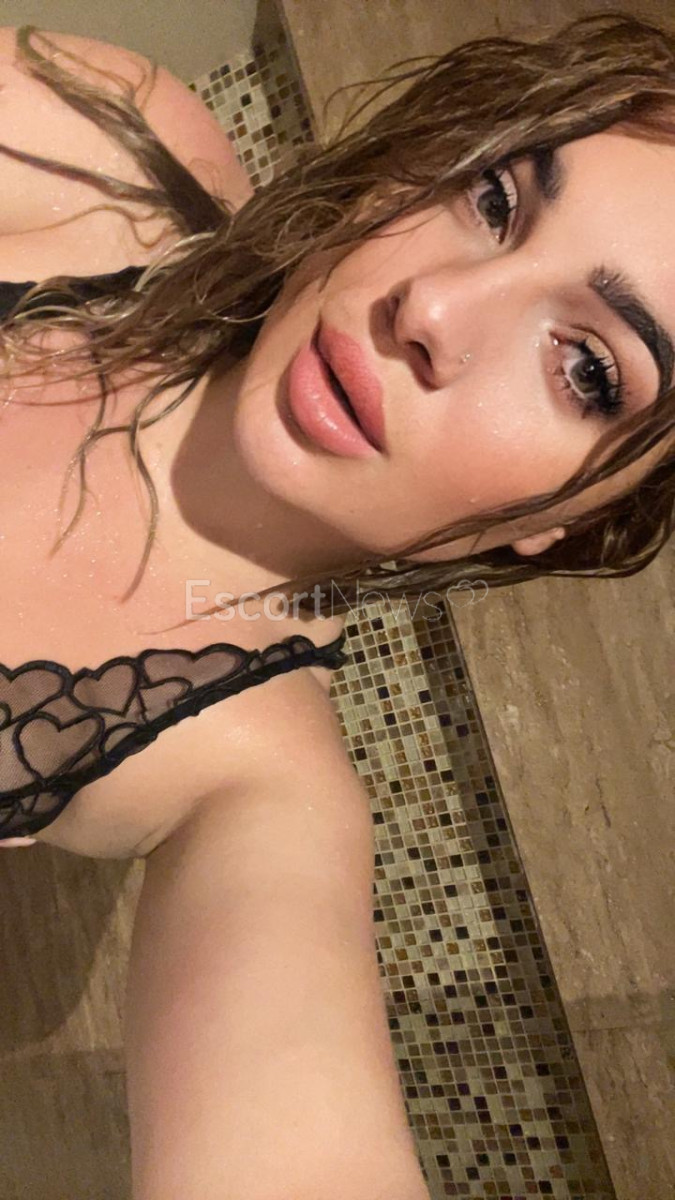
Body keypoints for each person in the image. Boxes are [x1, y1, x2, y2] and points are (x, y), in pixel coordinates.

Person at [0, 12, 673, 1197]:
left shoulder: (256, 797)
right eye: (495, 198)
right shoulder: (105, 147)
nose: (436, 311)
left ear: (571, 518)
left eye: (587, 369)